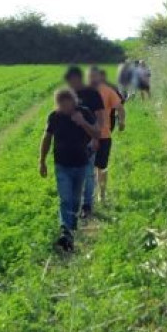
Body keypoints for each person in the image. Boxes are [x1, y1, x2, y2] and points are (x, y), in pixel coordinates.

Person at [39, 88, 100, 251]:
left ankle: (71, 227)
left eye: (67, 104)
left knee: (74, 200)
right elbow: (46, 138)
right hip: (61, 165)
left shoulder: (85, 113)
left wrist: (82, 122)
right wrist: (42, 161)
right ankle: (65, 232)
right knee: (65, 199)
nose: (64, 108)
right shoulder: (54, 117)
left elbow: (97, 133)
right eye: (61, 105)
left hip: (81, 164)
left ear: (74, 102)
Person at [62, 65, 105, 218]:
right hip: (71, 142)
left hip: (88, 140)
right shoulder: (67, 94)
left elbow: (100, 116)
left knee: (88, 174)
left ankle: (87, 205)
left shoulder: (92, 94)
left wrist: (96, 138)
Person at [89, 66, 125, 205]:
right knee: (88, 168)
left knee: (101, 167)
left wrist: (122, 121)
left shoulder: (108, 90)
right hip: (86, 137)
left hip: (104, 135)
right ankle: (89, 197)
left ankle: (101, 195)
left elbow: (120, 108)